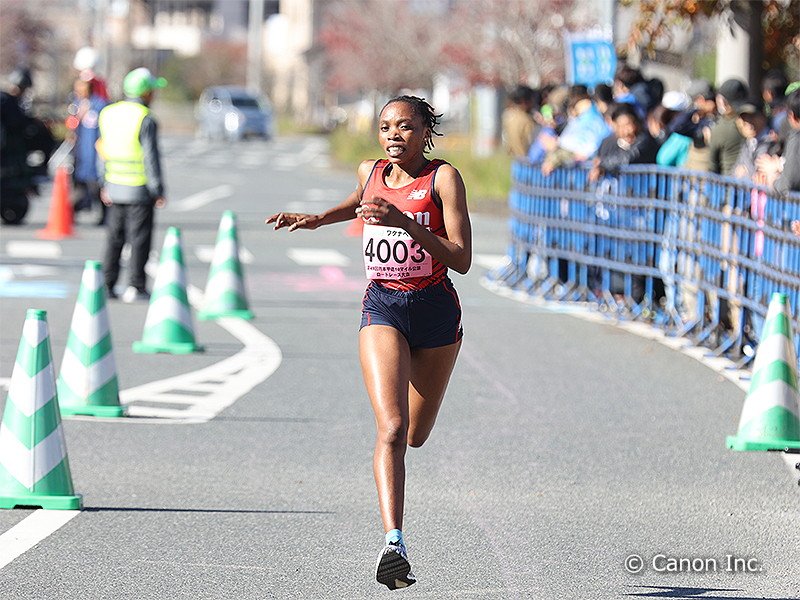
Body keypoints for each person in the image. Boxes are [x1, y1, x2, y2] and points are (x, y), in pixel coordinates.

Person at [267, 95, 471, 591]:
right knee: (392, 428)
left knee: (417, 435)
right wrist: (320, 218)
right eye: (385, 127)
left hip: (436, 312)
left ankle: (395, 533)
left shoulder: (443, 179)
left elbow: (462, 258)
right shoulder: (371, 170)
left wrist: (403, 222)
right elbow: (359, 199)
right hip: (383, 307)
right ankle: (393, 542)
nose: (393, 135)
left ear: (426, 131)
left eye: (405, 126)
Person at [97, 67, 168, 302]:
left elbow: (101, 150)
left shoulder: (108, 113)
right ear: (146, 93)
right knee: (139, 239)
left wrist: (103, 183)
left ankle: (107, 283)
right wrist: (157, 189)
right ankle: (136, 285)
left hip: (114, 184)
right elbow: (150, 156)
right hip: (139, 187)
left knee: (114, 237)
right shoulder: (145, 118)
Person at [68, 76, 108, 224]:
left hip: (94, 150)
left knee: (96, 185)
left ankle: (104, 215)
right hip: (81, 151)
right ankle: (73, 214)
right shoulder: (77, 105)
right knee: (79, 184)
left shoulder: (99, 105)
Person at [707, 78, 749, 176]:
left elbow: (713, 165)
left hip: (729, 185)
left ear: (724, 102)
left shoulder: (721, 128)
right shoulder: (755, 121)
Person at [501, 84, 538, 158]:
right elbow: (531, 141)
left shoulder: (508, 115)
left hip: (512, 158)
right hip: (525, 160)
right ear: (524, 101)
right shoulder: (526, 120)